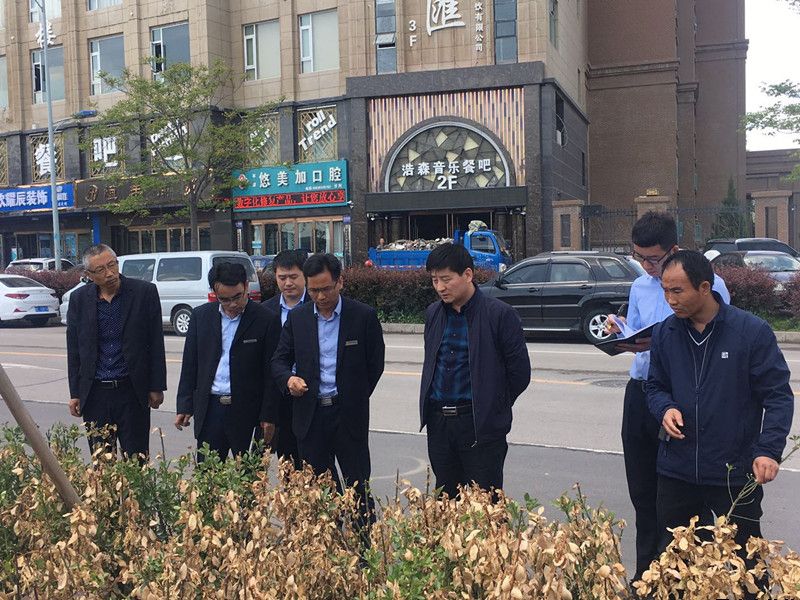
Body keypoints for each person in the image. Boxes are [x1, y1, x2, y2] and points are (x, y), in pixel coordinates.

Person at [607, 211, 731, 581]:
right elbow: (636, 331)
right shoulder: (640, 286)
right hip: (642, 390)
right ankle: (646, 575)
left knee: (682, 496)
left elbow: (716, 337)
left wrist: (663, 341)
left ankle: (687, 576)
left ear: (673, 250)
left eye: (654, 259)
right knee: (643, 491)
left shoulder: (710, 285)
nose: (646, 266)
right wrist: (621, 332)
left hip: (682, 396)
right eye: (639, 257)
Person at [647, 250, 793, 559]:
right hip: (677, 469)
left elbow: (777, 395)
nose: (670, 300)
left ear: (704, 287)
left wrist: (768, 450)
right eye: (665, 290)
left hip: (733, 471)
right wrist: (665, 408)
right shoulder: (665, 333)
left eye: (677, 291)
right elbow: (655, 386)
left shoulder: (750, 332)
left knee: (746, 562)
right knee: (675, 562)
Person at [271, 253, 385, 533]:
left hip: (348, 415)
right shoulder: (298, 318)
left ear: (340, 282)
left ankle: (364, 544)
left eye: (326, 289)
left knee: (358, 484)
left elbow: (375, 365)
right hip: (310, 415)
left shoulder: (362, 316)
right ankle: (327, 542)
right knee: (319, 488)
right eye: (314, 291)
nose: (320, 297)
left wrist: (354, 395)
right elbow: (279, 360)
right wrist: (289, 380)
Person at [419, 243, 531, 499]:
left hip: (480, 425)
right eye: (435, 280)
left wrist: (492, 405)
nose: (440, 287)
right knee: (446, 502)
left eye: (446, 279)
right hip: (439, 424)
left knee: (487, 503)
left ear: (468, 274)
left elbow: (520, 374)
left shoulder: (500, 315)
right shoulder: (433, 314)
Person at [67, 244, 166, 458]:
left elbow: (156, 342)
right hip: (95, 393)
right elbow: (74, 349)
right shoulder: (79, 299)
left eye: (112, 265)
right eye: (100, 270)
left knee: (137, 458)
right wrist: (75, 393)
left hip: (132, 390)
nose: (109, 273)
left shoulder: (144, 292)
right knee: (102, 460)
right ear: (89, 275)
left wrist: (156, 386)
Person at [175, 262, 281, 459]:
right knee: (208, 471)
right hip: (211, 408)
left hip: (248, 410)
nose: (232, 304)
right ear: (214, 293)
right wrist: (184, 405)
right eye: (224, 299)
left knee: (248, 473)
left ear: (246, 286)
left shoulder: (266, 319)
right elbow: (190, 364)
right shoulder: (201, 316)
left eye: (237, 297)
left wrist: (269, 416)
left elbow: (271, 373)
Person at [262, 249, 310, 468]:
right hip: (276, 396)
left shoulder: (317, 305)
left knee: (312, 461)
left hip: (308, 393)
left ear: (305, 276)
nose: (288, 283)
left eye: (293, 277)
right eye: (282, 277)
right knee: (285, 461)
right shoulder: (265, 311)